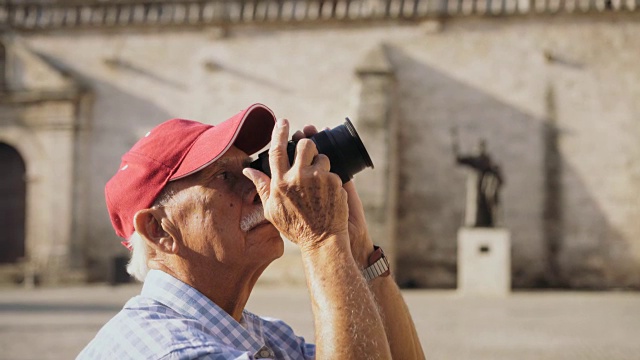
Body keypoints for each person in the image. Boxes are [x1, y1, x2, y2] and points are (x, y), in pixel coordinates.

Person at [78, 103, 424, 360]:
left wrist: (358, 247)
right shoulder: (171, 350)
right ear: (158, 230)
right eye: (225, 177)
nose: (258, 190)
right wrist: (321, 239)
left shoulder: (262, 336)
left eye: (252, 171)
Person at [452, 132, 504, 228]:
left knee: (485, 206)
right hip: (476, 187)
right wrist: (454, 143)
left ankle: (486, 222)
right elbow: (459, 160)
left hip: (483, 188)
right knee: (475, 205)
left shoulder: (485, 161)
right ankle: (478, 222)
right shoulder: (477, 160)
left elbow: (496, 174)